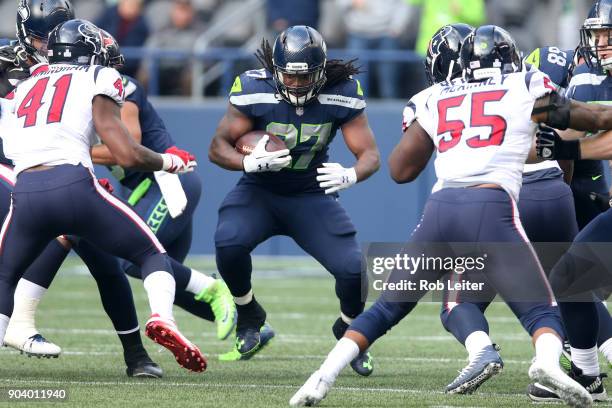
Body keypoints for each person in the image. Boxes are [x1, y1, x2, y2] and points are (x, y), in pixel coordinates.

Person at [290, 24, 612, 407]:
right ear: (510, 59)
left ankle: (320, 376)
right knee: (544, 305)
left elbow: (400, 169)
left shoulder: (436, 95)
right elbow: (588, 119)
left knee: (390, 305)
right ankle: (550, 365)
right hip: (498, 206)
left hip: (443, 209)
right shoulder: (524, 84)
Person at [4, 29, 237, 367]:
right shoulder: (99, 76)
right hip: (77, 185)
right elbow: (125, 151)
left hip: (26, 191)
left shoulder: (24, 86)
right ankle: (162, 318)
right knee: (149, 255)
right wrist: (169, 161)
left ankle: (141, 350)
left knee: (4, 276)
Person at [0, 0, 164, 378]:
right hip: (16, 172)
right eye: (40, 38)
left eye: (53, 37)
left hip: (50, 177)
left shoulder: (75, 68)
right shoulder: (9, 63)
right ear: (27, 34)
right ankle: (22, 319)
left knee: (104, 262)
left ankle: (136, 356)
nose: (47, 46)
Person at [208, 25, 380, 373]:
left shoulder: (342, 91)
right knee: (228, 242)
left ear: (321, 70)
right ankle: (249, 313)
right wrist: (247, 162)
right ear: (275, 70)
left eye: (305, 78)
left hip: (310, 192)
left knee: (353, 271)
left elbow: (370, 155)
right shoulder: (254, 88)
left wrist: (350, 174)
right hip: (260, 190)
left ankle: (349, 333)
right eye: (289, 76)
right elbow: (217, 147)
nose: (297, 85)